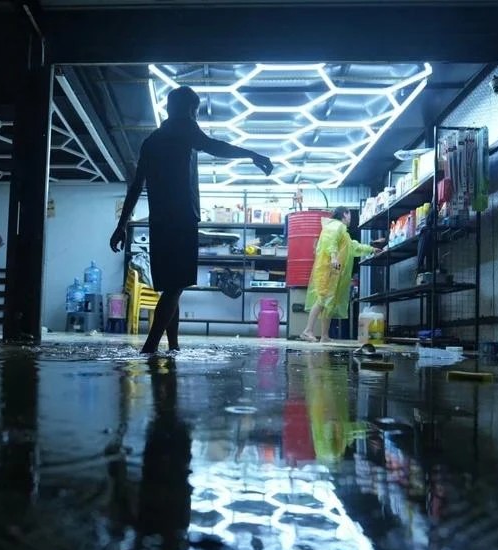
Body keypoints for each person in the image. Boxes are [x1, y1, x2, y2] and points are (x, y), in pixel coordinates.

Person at [110, 86, 274, 354]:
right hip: (182, 218)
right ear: (189, 110)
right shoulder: (184, 128)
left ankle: (173, 346)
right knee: (175, 287)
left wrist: (121, 226)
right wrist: (252, 154)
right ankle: (149, 349)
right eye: (195, 112)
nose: (194, 117)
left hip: (159, 221)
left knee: (171, 286)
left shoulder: (152, 141)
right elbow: (215, 146)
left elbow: (136, 186)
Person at [300, 206, 380, 343]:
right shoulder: (336, 226)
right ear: (344, 214)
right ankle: (307, 331)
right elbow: (331, 241)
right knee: (322, 300)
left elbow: (354, 247)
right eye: (349, 215)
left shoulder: (343, 232)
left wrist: (371, 249)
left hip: (334, 271)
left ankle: (324, 335)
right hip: (328, 270)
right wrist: (333, 257)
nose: (350, 219)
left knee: (329, 303)